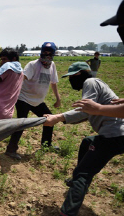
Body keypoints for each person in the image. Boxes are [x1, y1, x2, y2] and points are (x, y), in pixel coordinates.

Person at [43, 61, 124, 216]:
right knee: (88, 142)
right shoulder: (95, 83)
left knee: (84, 173)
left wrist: (57, 117)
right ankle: (76, 182)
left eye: (70, 77)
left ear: (78, 74)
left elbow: (85, 111)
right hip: (117, 134)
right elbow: (87, 114)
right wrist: (59, 118)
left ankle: (67, 212)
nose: (70, 81)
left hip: (114, 136)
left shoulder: (90, 82)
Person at [4, 42, 61, 160]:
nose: (47, 55)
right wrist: (9, 92)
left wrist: (58, 98)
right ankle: (11, 149)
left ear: (53, 54)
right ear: (41, 52)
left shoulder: (52, 66)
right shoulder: (33, 65)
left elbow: (53, 82)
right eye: (45, 52)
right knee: (21, 123)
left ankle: (46, 144)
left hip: (38, 101)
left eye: (50, 53)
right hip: (24, 99)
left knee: (49, 119)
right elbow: (21, 78)